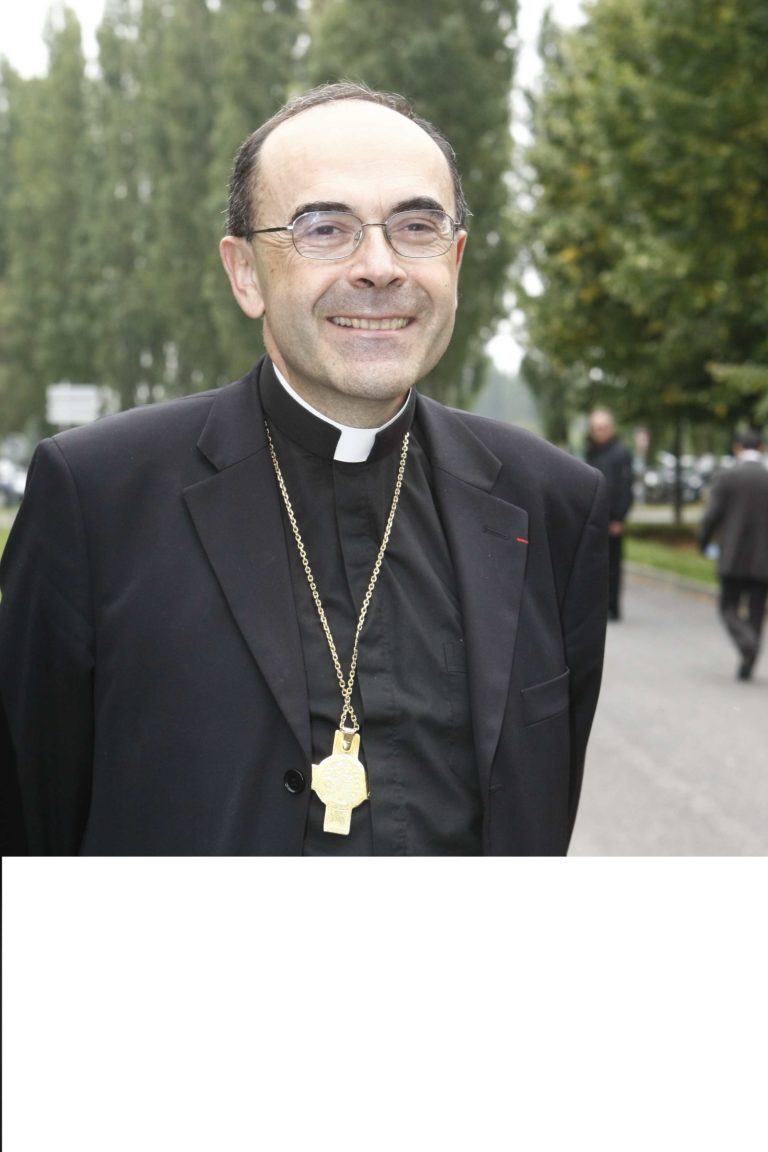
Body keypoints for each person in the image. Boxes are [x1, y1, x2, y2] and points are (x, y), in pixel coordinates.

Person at [0, 82, 608, 856]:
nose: (380, 267)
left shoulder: (553, 504)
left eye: (416, 227)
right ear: (245, 273)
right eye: (325, 229)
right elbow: (29, 826)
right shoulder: (97, 499)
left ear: (455, 259)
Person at [698, 429, 768, 681]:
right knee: (756, 611)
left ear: (738, 448)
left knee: (727, 607)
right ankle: (749, 657)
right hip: (763, 557)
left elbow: (711, 516)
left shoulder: (727, 477)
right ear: (761, 448)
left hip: (733, 555)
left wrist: (703, 542)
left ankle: (747, 644)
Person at [586, 408, 634, 620]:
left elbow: (626, 487)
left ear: (611, 428)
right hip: (594, 517)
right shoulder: (592, 452)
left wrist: (618, 518)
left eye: (603, 427)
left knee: (612, 565)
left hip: (612, 519)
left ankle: (612, 606)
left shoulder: (620, 453)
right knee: (594, 565)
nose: (600, 432)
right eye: (597, 428)